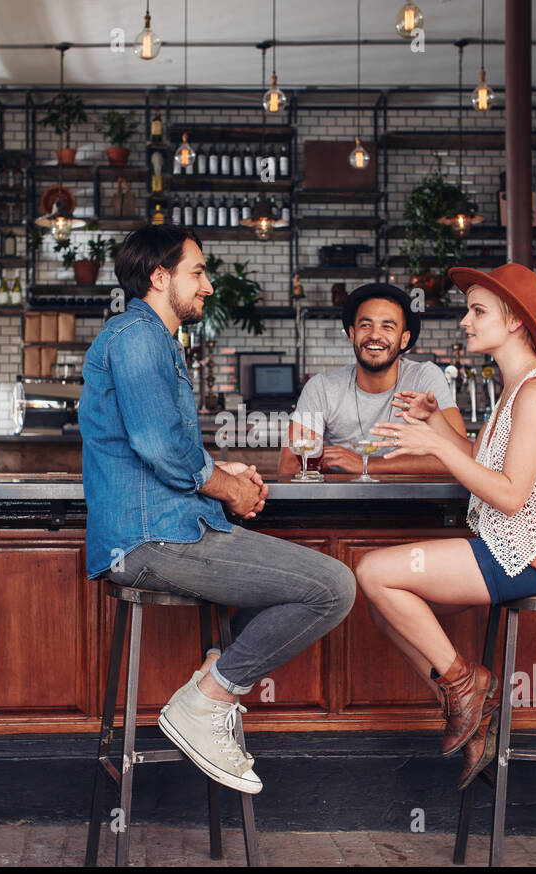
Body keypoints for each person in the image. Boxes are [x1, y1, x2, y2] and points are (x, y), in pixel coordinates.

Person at [79, 224, 356, 795]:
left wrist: (229, 475)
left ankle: (214, 678)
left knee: (324, 586)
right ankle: (205, 700)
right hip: (148, 541)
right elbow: (157, 445)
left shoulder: (157, 339)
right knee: (332, 587)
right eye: (198, 272)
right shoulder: (137, 335)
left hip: (173, 530)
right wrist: (228, 488)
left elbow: (173, 446)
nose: (208, 285)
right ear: (160, 277)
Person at [354, 263, 536, 790]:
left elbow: (508, 494)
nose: (465, 321)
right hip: (503, 547)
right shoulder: (514, 390)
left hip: (529, 555)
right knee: (382, 605)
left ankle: (467, 683)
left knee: (372, 571)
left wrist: (434, 445)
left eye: (478, 311)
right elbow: (479, 459)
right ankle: (472, 709)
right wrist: (436, 419)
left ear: (513, 322)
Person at [276, 283, 468, 477]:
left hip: (416, 503)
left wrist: (364, 465)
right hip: (340, 503)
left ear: (404, 339)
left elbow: (461, 459)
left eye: (388, 326)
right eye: (365, 325)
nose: (375, 335)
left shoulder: (424, 376)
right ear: (352, 334)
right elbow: (289, 466)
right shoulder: (322, 388)